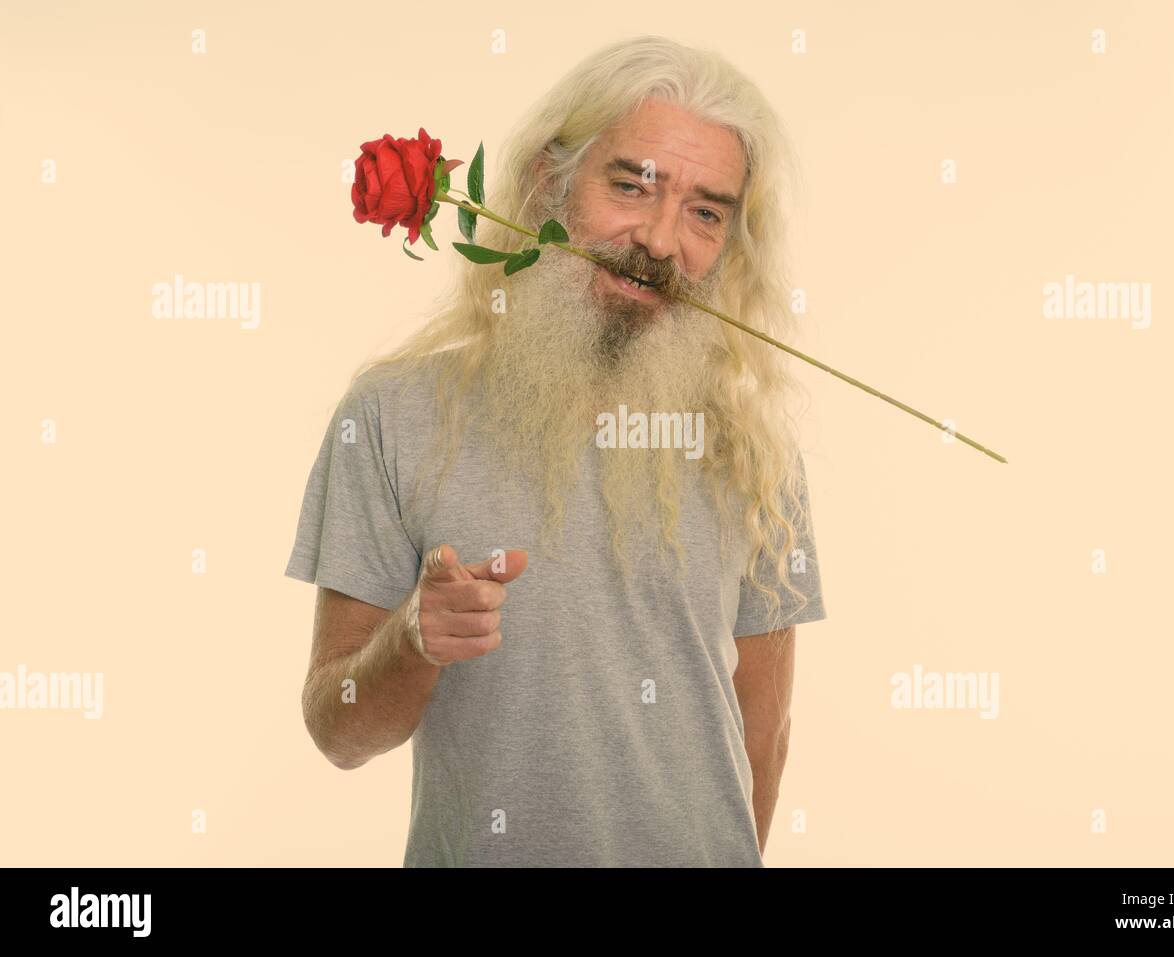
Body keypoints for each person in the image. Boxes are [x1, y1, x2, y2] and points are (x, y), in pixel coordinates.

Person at [284, 34, 828, 867]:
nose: (658, 238)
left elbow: (766, 730)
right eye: (630, 185)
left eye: (705, 211)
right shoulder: (393, 412)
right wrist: (412, 639)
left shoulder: (751, 447)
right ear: (550, 180)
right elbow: (336, 729)